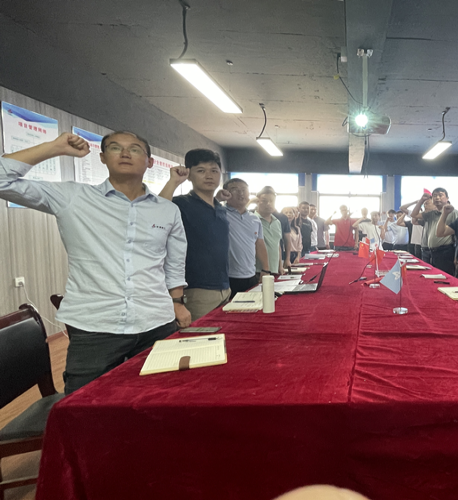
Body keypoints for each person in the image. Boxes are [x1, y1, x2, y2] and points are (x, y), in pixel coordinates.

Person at [0, 132, 189, 394]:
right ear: (102, 158)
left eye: (135, 149)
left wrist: (177, 302)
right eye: (115, 147)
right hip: (95, 326)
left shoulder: (167, 210)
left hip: (156, 321)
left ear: (149, 162)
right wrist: (53, 147)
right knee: (86, 403)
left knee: (159, 398)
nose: (125, 153)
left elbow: (174, 262)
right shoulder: (72, 196)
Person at [160, 149, 231, 321]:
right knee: (201, 335)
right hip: (196, 290)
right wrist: (173, 182)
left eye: (214, 171)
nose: (209, 176)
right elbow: (156, 213)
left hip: (224, 287)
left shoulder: (220, 208)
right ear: (189, 175)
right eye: (201, 171)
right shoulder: (181, 203)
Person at [223, 178, 271, 299]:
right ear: (226, 193)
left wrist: (266, 269)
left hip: (251, 275)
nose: (240, 193)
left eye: (244, 190)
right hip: (228, 277)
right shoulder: (220, 213)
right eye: (235, 189)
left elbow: (259, 244)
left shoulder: (254, 219)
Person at [411, 188, 458, 274]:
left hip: (446, 251)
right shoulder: (431, 213)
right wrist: (421, 201)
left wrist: (457, 255)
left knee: (444, 276)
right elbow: (414, 215)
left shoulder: (453, 212)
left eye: (440, 195)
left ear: (447, 198)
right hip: (432, 252)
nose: (437, 198)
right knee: (432, 276)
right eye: (435, 196)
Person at [254, 186, 285, 274]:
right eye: (264, 201)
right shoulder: (252, 220)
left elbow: (277, 244)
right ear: (257, 202)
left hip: (274, 269)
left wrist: (280, 266)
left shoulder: (277, 222)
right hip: (257, 270)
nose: (268, 204)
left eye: (272, 201)